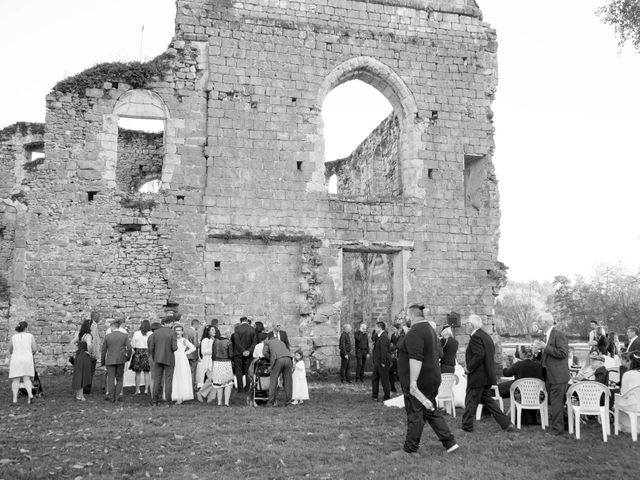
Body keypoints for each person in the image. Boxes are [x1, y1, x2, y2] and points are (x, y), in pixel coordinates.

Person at [393, 304, 458, 456]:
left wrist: (413, 382)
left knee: (415, 413)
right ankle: (450, 442)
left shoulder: (416, 331)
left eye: (406, 317)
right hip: (432, 378)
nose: (405, 320)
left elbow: (416, 358)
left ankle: (410, 450)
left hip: (420, 381)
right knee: (430, 410)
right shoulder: (429, 329)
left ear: (412, 316)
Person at [462, 314, 515, 433]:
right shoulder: (486, 336)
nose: (466, 326)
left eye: (467, 324)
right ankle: (507, 424)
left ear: (471, 325)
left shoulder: (476, 337)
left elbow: (479, 355)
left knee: (470, 401)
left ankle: (466, 426)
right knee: (489, 402)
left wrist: (468, 368)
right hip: (487, 376)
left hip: (478, 376)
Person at [534, 319, 570, 436]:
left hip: (558, 375)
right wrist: (538, 351)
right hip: (549, 374)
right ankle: (566, 424)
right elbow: (548, 356)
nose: (538, 324)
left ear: (545, 322)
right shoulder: (546, 335)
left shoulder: (558, 335)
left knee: (556, 403)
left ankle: (557, 430)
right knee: (556, 403)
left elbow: (563, 353)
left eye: (539, 322)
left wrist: (545, 347)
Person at [148, 316, 178, 406]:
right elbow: (174, 347)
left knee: (157, 380)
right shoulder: (172, 333)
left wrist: (154, 357)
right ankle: (168, 401)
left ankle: (154, 401)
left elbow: (151, 347)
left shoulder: (155, 332)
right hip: (169, 359)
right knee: (168, 380)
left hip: (157, 358)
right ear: (171, 323)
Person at [101, 319, 132, 403]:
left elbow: (104, 350)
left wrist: (103, 361)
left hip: (110, 359)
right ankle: (118, 396)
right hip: (121, 359)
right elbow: (129, 348)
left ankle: (111, 397)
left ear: (112, 327)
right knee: (119, 378)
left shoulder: (108, 336)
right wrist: (128, 358)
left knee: (110, 379)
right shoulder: (124, 335)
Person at [9, 321, 37, 405]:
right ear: (26, 328)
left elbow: (10, 349)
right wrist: (31, 353)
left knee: (16, 379)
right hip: (27, 358)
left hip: (16, 359)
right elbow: (34, 349)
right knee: (26, 378)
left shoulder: (13, 337)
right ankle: (30, 395)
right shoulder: (30, 336)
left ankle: (14, 399)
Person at [263, 336, 294, 406]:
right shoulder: (281, 342)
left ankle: (270, 401)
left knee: (273, 381)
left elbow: (264, 352)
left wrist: (270, 358)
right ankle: (288, 401)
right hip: (289, 359)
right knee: (288, 381)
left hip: (278, 360)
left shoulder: (267, 342)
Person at [171, 324, 196, 404]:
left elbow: (193, 348)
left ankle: (181, 396)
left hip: (182, 359)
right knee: (174, 376)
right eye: (176, 330)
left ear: (182, 332)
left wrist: (185, 353)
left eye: (179, 330)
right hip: (174, 358)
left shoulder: (184, 340)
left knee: (182, 376)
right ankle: (174, 395)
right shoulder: (172, 339)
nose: (177, 332)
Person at [210, 326, 234, 406]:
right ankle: (226, 402)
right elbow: (231, 354)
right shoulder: (228, 342)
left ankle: (219, 402)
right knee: (228, 383)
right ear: (227, 333)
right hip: (226, 363)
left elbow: (213, 354)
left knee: (218, 384)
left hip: (217, 363)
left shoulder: (215, 341)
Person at [617, 352, 640, 433]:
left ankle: (621, 425)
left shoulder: (628, 374)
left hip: (633, 405)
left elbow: (624, 393)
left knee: (617, 400)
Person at [71, 319, 94, 401]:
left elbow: (72, 342)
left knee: (78, 374)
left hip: (78, 355)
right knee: (83, 375)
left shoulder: (80, 335)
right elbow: (89, 345)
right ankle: (81, 395)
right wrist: (90, 352)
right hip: (84, 355)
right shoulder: (88, 336)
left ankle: (78, 394)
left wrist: (77, 348)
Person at [232, 316, 256, 391]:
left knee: (239, 370)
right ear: (247, 321)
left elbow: (237, 342)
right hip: (249, 353)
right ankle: (248, 388)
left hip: (238, 352)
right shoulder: (252, 329)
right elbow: (254, 342)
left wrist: (242, 351)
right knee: (248, 371)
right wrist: (249, 350)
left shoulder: (237, 328)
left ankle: (240, 388)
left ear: (241, 321)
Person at [130, 320, 152, 395]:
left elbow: (133, 344)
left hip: (138, 352)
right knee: (147, 372)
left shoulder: (136, 333)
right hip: (147, 352)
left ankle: (137, 390)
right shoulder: (151, 334)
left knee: (137, 373)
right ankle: (146, 389)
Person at [371, 321, 391, 402]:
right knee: (374, 379)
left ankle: (387, 396)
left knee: (384, 380)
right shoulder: (379, 336)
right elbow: (373, 339)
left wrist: (383, 362)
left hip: (382, 363)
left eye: (376, 327)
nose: (375, 329)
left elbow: (384, 351)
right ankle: (375, 396)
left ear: (379, 328)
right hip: (377, 363)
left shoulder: (384, 337)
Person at [184, 319, 201, 391]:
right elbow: (196, 345)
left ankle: (186, 386)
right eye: (198, 325)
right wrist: (199, 344)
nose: (198, 326)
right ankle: (192, 387)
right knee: (193, 372)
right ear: (195, 324)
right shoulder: (195, 332)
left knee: (186, 371)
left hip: (186, 353)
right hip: (193, 355)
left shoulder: (185, 331)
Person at [389, 323, 402, 393]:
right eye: (392, 329)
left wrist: (392, 348)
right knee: (391, 371)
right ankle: (392, 387)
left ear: (398, 329)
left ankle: (404, 387)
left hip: (400, 355)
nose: (393, 330)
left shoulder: (401, 336)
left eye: (394, 329)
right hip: (394, 355)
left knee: (400, 372)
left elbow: (398, 345)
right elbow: (391, 343)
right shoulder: (392, 335)